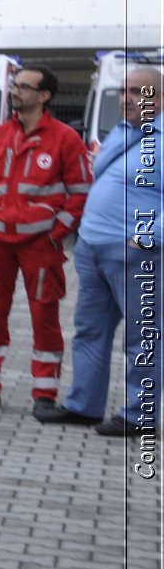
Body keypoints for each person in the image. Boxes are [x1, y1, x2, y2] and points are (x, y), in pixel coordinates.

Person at [0, 64, 91, 418]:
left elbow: (80, 192)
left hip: (39, 243)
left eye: (24, 87)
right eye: (15, 85)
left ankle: (44, 395)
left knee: (44, 316)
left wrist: (56, 231)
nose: (16, 91)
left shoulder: (65, 139)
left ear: (44, 96)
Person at [43, 66, 163, 436]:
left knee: (142, 336)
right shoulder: (122, 133)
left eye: (138, 92)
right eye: (124, 91)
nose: (127, 98)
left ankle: (138, 416)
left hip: (136, 254)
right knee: (89, 330)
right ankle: (84, 406)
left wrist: (148, 236)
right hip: (93, 248)